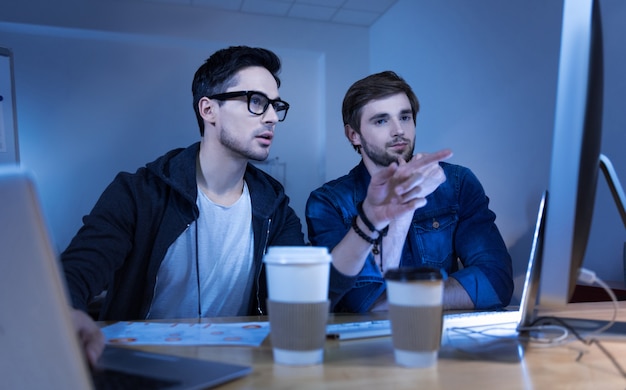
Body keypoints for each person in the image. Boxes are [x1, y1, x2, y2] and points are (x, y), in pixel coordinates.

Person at [61, 46, 305, 321]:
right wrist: (68, 315)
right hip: (142, 360)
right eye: (257, 101)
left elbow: (305, 290)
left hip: (242, 361)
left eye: (276, 105)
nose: (272, 117)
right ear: (208, 109)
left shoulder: (274, 206)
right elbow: (73, 275)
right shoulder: (139, 194)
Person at [306, 71, 513, 313]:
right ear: (354, 135)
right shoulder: (327, 202)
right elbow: (358, 301)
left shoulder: (456, 183)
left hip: (438, 337)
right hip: (363, 345)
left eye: (405, 117)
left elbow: (495, 281)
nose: (399, 131)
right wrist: (404, 209)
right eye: (381, 121)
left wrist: (399, 300)